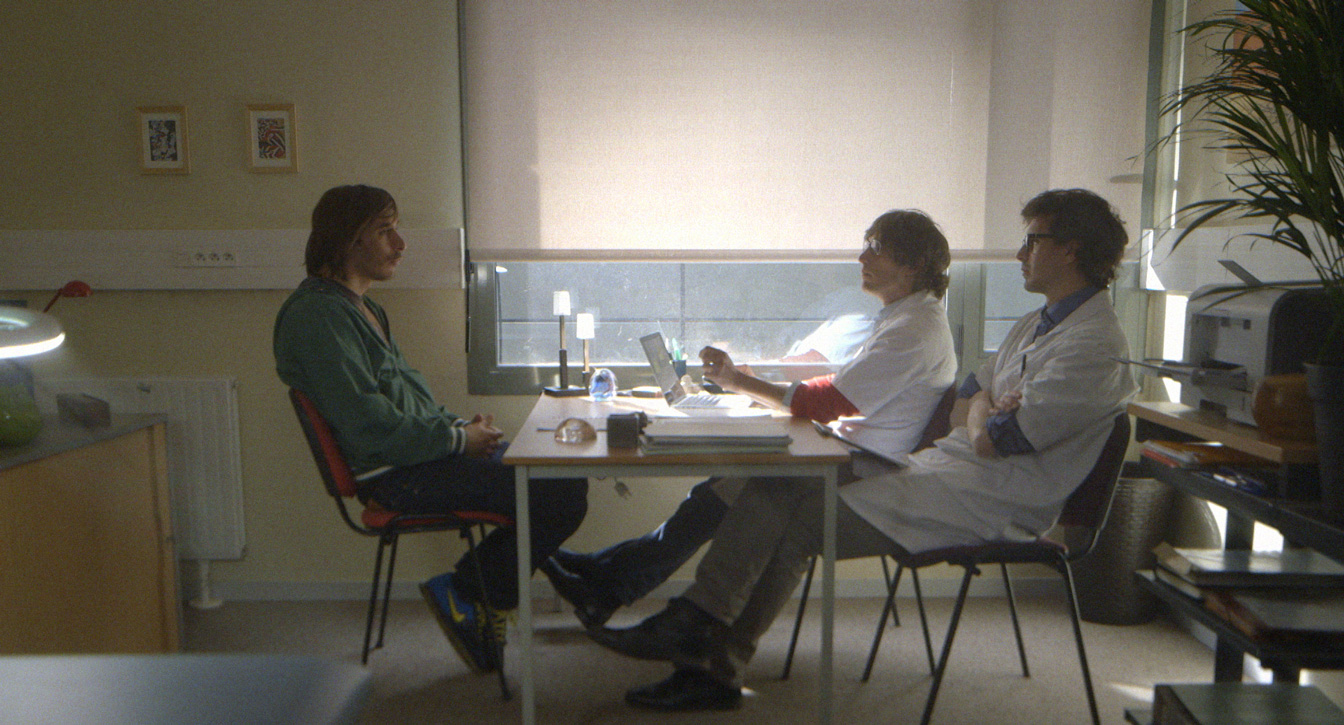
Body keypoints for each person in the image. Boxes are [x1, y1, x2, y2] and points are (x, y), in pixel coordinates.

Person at [589, 188, 1139, 712]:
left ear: (1071, 250)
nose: (1018, 253)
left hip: (991, 499)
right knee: (777, 493)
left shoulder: (1094, 347)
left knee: (788, 510)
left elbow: (994, 440)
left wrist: (983, 413)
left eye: (1032, 240)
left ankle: (701, 644)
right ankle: (703, 647)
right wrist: (984, 407)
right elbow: (966, 402)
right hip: (950, 473)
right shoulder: (1035, 324)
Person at [542, 209, 959, 629]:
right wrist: (750, 384)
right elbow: (840, 387)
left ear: (914, 264)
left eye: (876, 248)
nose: (861, 257)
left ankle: (607, 584)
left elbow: (828, 402)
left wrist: (739, 381)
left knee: (725, 491)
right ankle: (605, 579)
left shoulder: (913, 329)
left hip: (859, 468)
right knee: (717, 489)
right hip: (841, 449)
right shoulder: (903, 318)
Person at [273, 184, 588, 675]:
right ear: (347, 239)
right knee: (558, 492)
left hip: (415, 458)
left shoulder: (362, 308)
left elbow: (407, 402)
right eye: (385, 231)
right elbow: (368, 424)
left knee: (556, 475)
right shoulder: (317, 316)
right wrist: (459, 440)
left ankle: (486, 593)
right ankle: (469, 592)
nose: (400, 244)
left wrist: (459, 428)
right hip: (394, 475)